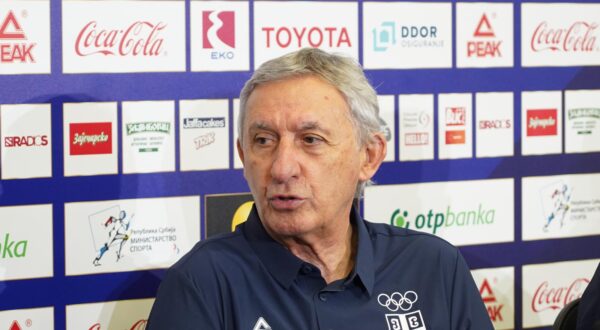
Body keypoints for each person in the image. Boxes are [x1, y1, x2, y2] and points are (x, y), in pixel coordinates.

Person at [147, 48, 492, 330]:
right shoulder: (201, 285)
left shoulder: (433, 267)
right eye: (264, 141)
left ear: (369, 156)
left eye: (311, 140)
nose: (282, 168)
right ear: (242, 155)